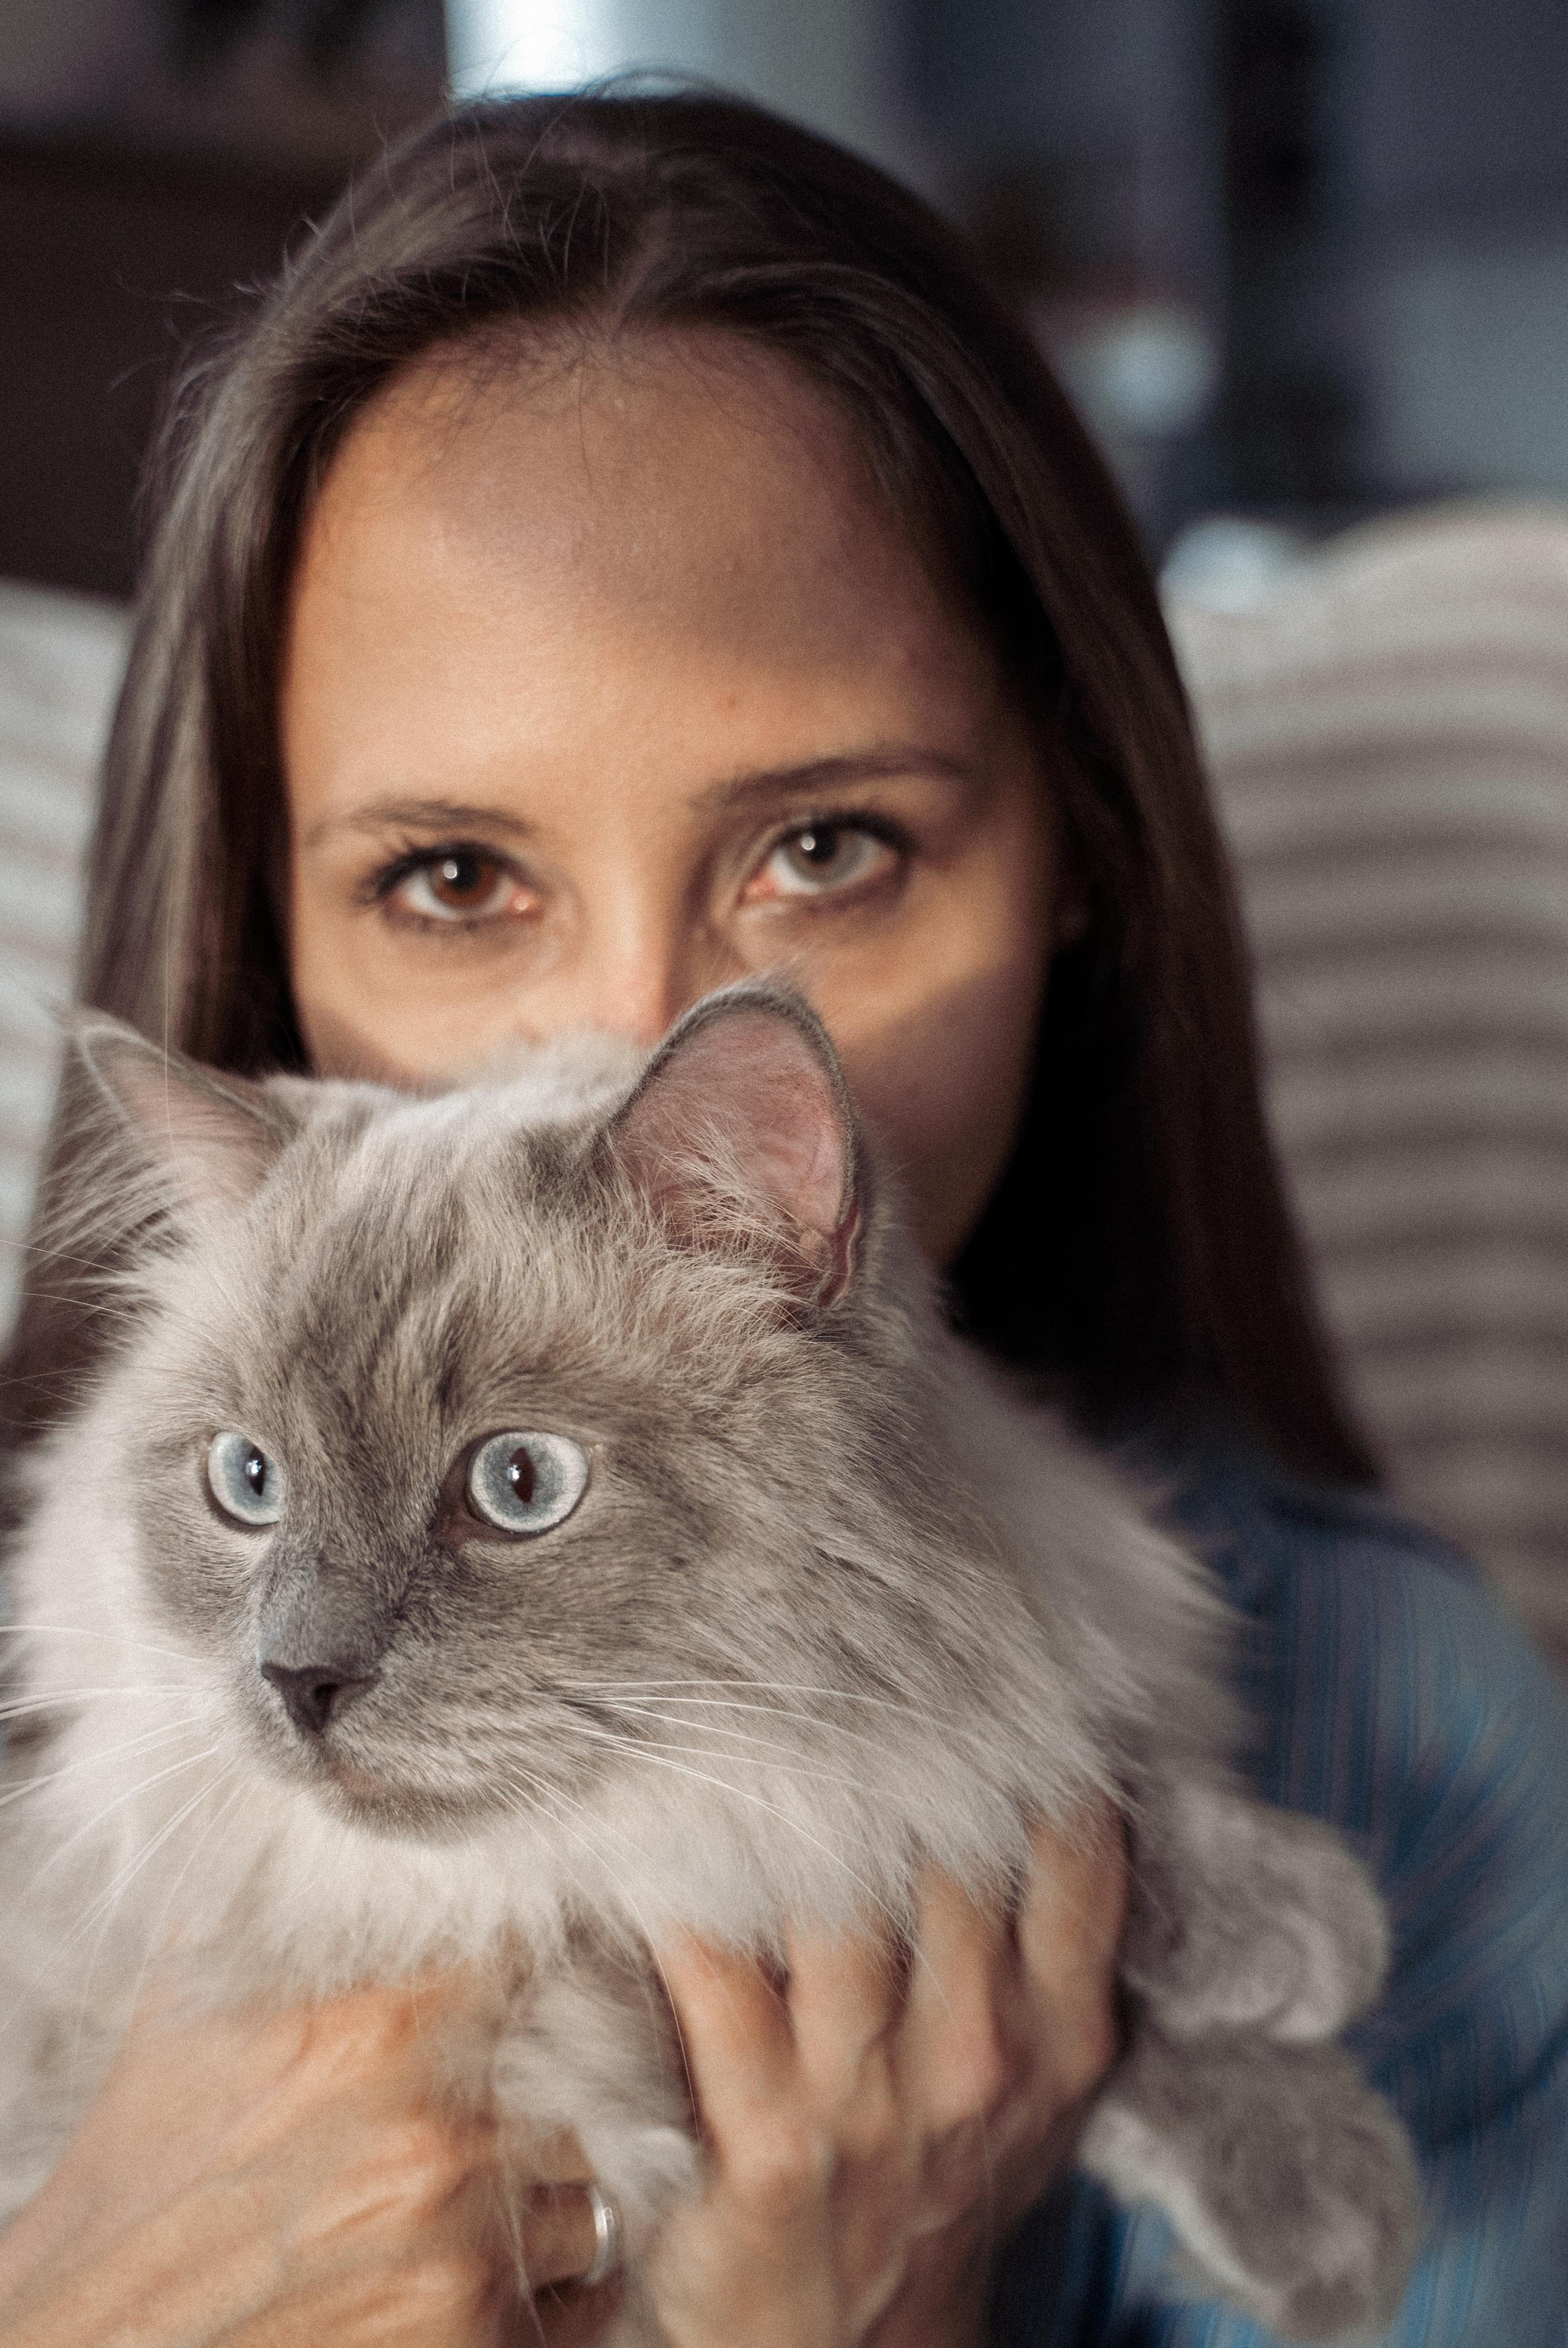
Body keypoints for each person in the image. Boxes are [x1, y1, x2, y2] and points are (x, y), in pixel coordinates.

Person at [0, 89, 1562, 2348]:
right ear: (258, 917)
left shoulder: (1409, 1748)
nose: (627, 1038)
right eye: (452, 878)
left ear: (1087, 852)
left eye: (825, 849)